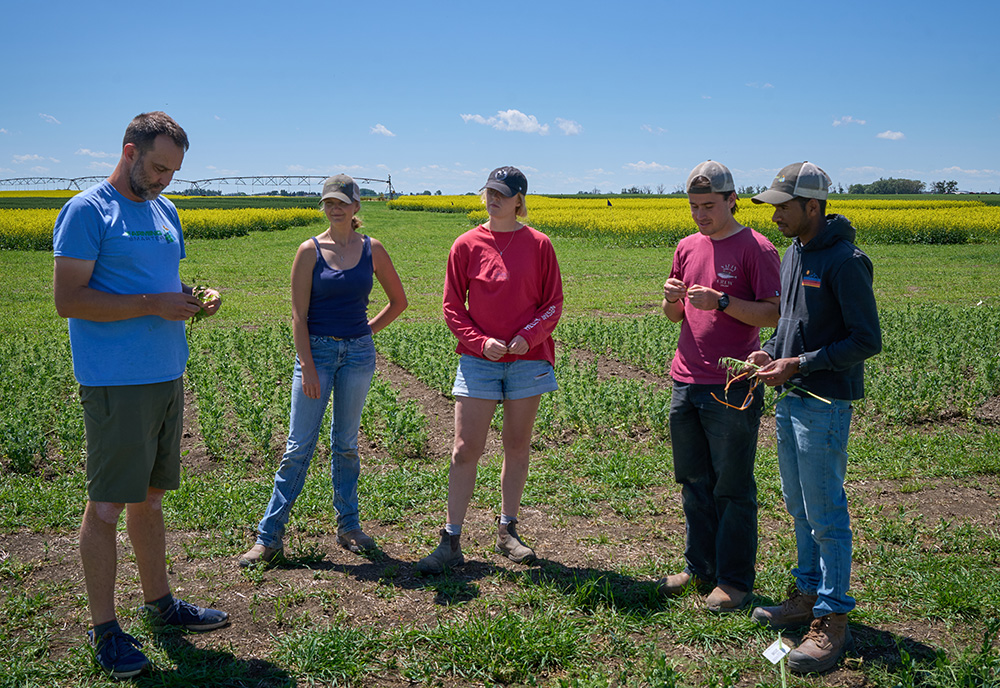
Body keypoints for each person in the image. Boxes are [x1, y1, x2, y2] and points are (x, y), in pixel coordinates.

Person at [53, 111, 227, 679]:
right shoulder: (86, 212)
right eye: (157, 167)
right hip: (115, 383)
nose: (164, 181)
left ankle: (161, 605)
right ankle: (104, 630)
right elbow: (70, 299)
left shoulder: (165, 210)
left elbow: (161, 282)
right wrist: (154, 304)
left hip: (165, 373)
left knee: (149, 501)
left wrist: (192, 295)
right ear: (129, 150)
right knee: (106, 506)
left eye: (173, 172)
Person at [748, 162, 882, 673]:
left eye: (784, 205)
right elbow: (790, 324)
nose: (775, 214)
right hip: (791, 399)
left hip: (824, 403)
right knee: (798, 506)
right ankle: (806, 593)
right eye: (773, 205)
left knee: (826, 513)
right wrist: (769, 351)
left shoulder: (847, 262)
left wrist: (800, 364)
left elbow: (866, 340)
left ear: (813, 206)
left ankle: (832, 619)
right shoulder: (793, 253)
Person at [240, 174, 407, 567]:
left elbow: (399, 301)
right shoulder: (309, 250)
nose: (335, 208)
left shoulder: (373, 249)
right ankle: (269, 536)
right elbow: (298, 316)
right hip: (315, 353)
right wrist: (308, 367)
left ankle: (349, 526)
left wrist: (364, 334)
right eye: (329, 202)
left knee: (346, 444)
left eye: (342, 202)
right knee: (298, 447)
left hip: (358, 356)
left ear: (356, 207)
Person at [415, 166, 563, 573]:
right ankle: (451, 539)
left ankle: (507, 532)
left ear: (519, 199)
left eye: (502, 193)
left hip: (527, 362)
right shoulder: (465, 244)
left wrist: (527, 338)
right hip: (478, 362)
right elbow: (451, 307)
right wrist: (482, 342)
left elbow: (552, 303)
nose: (493, 199)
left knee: (517, 447)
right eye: (489, 192)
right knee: (465, 449)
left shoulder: (539, 245)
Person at [658, 161, 781, 612]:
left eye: (709, 205)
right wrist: (672, 298)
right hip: (685, 378)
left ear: (732, 199)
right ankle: (699, 567)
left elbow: (773, 313)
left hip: (732, 386)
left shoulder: (757, 248)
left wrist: (724, 301)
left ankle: (734, 580)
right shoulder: (687, 246)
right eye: (693, 206)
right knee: (693, 481)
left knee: (731, 486)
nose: (700, 215)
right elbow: (675, 317)